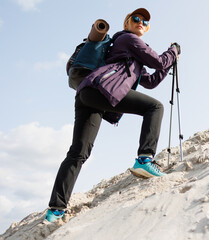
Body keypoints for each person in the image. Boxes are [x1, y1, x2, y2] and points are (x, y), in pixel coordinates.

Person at [45, 8, 181, 222]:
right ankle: (145, 159)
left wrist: (169, 61)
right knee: (155, 108)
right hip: (101, 90)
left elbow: (151, 80)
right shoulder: (128, 39)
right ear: (127, 23)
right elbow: (157, 60)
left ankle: (55, 209)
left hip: (89, 94)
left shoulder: (129, 55)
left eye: (144, 22)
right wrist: (173, 51)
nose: (140, 22)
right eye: (135, 19)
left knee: (79, 152)